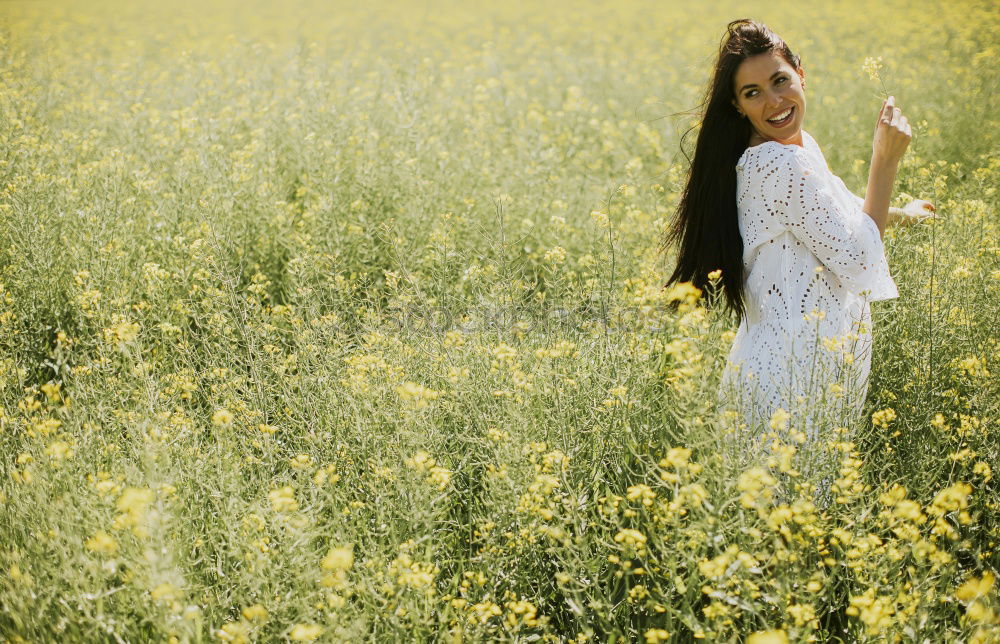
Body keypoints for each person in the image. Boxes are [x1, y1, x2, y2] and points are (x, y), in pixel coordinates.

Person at [663, 20, 935, 464]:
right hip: (790, 383)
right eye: (753, 93)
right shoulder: (779, 163)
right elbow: (859, 261)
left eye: (780, 80)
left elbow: (838, 207)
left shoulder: (791, 149)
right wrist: (884, 161)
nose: (774, 102)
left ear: (800, 74)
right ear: (737, 105)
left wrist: (904, 214)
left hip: (798, 368)